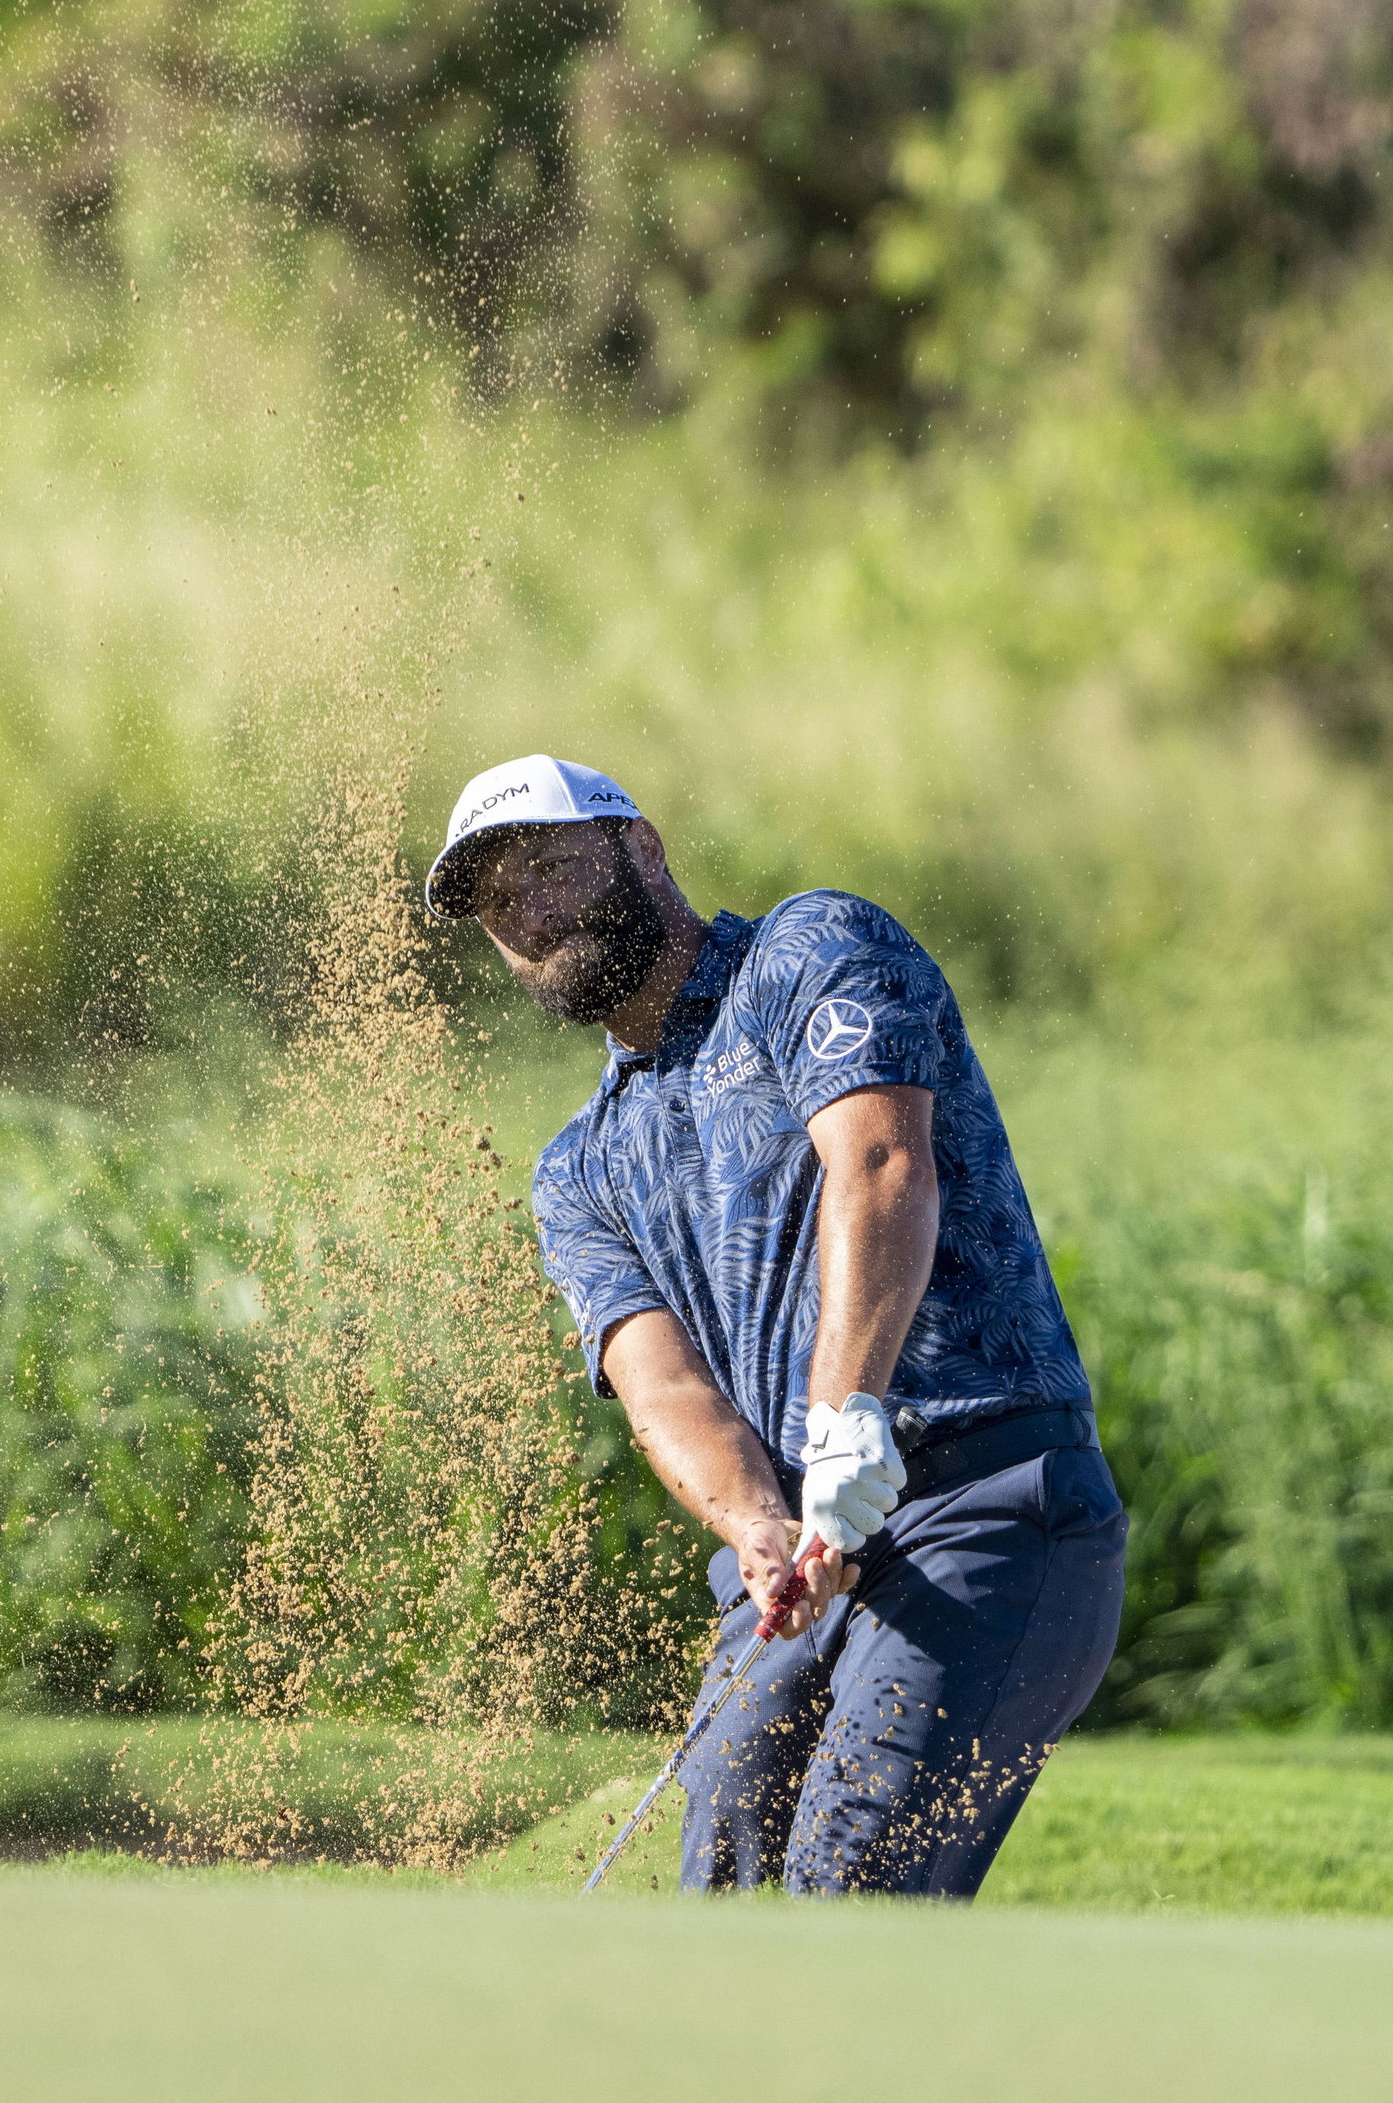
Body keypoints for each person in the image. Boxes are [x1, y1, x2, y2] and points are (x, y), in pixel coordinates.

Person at [426, 753, 1126, 1897]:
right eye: (500, 905)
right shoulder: (578, 1169)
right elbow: (661, 1387)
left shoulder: (810, 952)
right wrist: (753, 1523)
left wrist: (843, 1421)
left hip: (988, 1512)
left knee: (847, 1897)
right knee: (726, 1900)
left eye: (549, 867)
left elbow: (881, 1163)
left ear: (640, 848)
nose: (532, 913)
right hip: (796, 1568)